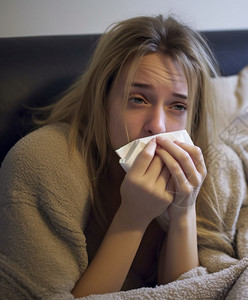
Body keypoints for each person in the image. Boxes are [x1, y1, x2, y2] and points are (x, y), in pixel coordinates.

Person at [0, 15, 232, 298]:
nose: (157, 126)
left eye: (177, 106)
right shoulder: (42, 162)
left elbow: (185, 292)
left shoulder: (209, 166)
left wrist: (184, 210)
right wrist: (132, 218)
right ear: (104, 100)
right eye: (138, 99)